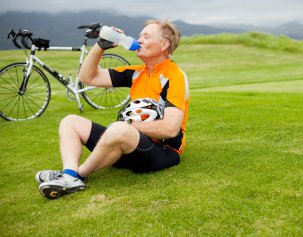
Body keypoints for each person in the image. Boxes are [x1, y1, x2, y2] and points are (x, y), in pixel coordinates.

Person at [36, 20, 189, 199]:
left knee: (119, 128)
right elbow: (87, 77)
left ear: (164, 44)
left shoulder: (175, 77)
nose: (139, 40)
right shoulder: (137, 72)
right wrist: (100, 46)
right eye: (139, 35)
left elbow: (170, 129)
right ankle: (68, 173)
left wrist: (127, 126)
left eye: (146, 36)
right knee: (70, 121)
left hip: (161, 152)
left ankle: (76, 177)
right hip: (130, 147)